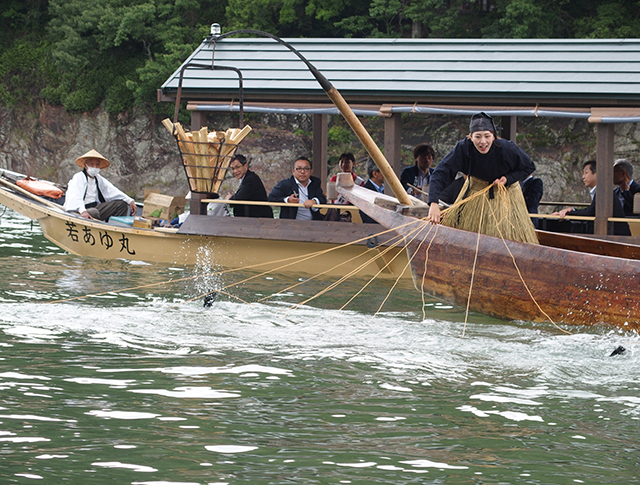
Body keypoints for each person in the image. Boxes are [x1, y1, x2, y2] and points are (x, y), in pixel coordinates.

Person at [427, 112, 538, 244]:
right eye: (477, 136)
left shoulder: (507, 148)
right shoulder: (464, 148)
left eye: (487, 136)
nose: (483, 141)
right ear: (470, 137)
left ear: (494, 136)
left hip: (506, 197)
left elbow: (528, 167)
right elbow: (441, 172)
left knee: (509, 241)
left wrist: (508, 178)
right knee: (469, 241)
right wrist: (433, 203)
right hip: (476, 193)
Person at [552, 160, 630, 235]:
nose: (583, 177)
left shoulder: (603, 191)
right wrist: (572, 210)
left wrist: (568, 214)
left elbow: (589, 213)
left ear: (597, 174)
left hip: (619, 237)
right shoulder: (601, 189)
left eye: (586, 173)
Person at [63, 149, 136, 221]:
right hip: (79, 210)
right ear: (85, 165)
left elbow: (112, 190)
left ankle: (115, 227)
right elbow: (76, 196)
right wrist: (83, 211)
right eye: (91, 164)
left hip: (95, 207)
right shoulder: (78, 177)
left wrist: (130, 201)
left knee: (121, 205)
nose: (94, 167)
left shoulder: (98, 178)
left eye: (97, 165)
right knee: (93, 212)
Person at [360, 159, 385, 224]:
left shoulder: (384, 189)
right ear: (375, 174)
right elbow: (368, 219)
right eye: (384, 170)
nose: (387, 173)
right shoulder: (365, 192)